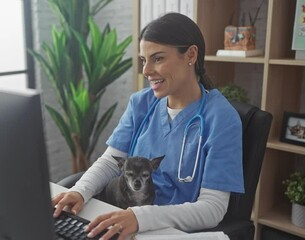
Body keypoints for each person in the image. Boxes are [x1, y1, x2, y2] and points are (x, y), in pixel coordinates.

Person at [52, 12, 244, 240]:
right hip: (125, 217)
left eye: (158, 58)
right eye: (144, 60)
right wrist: (79, 191)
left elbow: (213, 208)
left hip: (169, 230)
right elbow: (111, 162)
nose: (146, 70)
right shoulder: (141, 103)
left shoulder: (222, 119)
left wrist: (140, 217)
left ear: (191, 55)